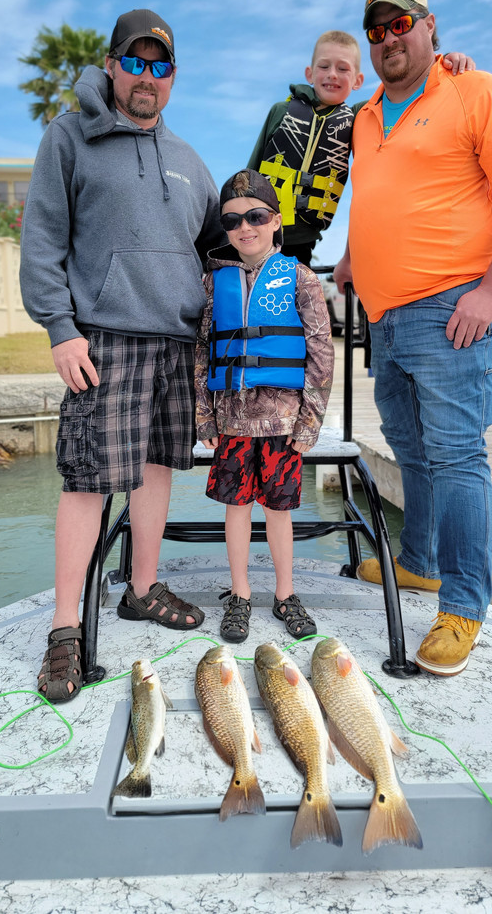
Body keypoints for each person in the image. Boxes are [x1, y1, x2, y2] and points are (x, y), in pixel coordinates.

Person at [333, 0, 492, 676]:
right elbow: (380, 196)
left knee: (458, 455)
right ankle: (421, 563)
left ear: (430, 26)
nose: (388, 39)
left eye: (401, 24)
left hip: (452, 306)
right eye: (376, 30)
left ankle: (462, 606)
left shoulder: (474, 89)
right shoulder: (368, 116)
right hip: (385, 316)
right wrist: (350, 256)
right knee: (407, 445)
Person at [20, 9, 224, 702]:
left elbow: (217, 252)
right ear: (111, 66)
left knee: (157, 468)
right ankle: (65, 628)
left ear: (172, 78)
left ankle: (141, 588)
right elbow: (43, 240)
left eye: (159, 66)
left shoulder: (193, 163)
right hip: (100, 339)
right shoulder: (68, 138)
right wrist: (60, 327)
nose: (146, 77)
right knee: (86, 480)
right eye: (134, 63)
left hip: (173, 342)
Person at [194, 169, 334, 643]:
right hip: (231, 422)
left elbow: (320, 354)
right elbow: (202, 349)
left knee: (279, 511)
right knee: (236, 509)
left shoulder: (302, 278)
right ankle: (239, 593)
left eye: (255, 217)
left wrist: (309, 422)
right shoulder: (216, 284)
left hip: (283, 423)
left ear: (275, 221)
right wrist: (204, 413)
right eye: (232, 221)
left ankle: (285, 594)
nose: (244, 228)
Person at [248, 30, 475, 265]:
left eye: (343, 69)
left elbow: (407, 91)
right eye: (324, 66)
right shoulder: (280, 111)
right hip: (256, 232)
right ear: (310, 73)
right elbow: (249, 172)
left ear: (358, 81)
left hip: (301, 245)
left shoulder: (360, 116)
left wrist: (444, 63)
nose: (332, 75)